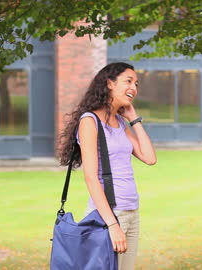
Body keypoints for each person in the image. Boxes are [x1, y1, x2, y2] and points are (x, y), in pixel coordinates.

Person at [58, 62, 157, 270]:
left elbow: (149, 157)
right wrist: (112, 224)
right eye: (128, 81)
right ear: (109, 83)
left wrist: (133, 119)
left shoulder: (120, 122)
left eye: (136, 84)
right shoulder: (90, 121)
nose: (134, 88)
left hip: (131, 211)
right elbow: (91, 178)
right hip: (108, 215)